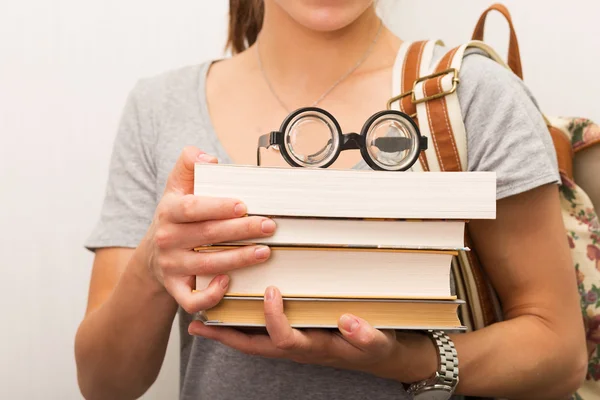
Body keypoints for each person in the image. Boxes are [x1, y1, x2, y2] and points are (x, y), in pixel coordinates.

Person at [74, 1, 588, 399]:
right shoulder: (159, 107)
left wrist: (408, 361)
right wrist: (152, 264)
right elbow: (104, 385)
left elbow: (559, 352)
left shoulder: (471, 95)